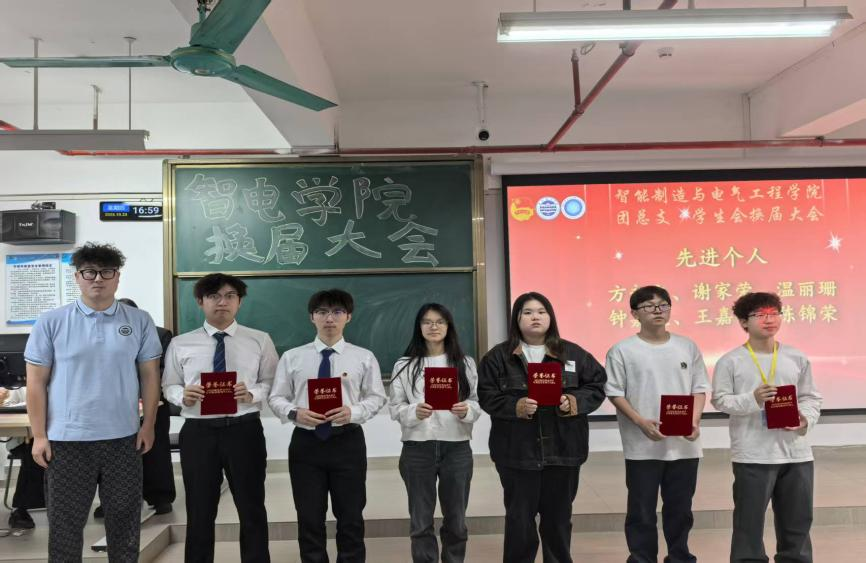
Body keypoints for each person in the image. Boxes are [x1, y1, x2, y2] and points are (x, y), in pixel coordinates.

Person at [24, 242, 162, 562]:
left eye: (106, 272)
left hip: (123, 439)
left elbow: (150, 377)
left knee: (125, 523)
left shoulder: (139, 320)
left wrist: (149, 425)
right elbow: (36, 383)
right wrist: (40, 435)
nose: (98, 278)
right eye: (89, 272)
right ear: (77, 277)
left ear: (117, 277)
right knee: (65, 525)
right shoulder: (51, 321)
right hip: (67, 441)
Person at [478, 291, 607, 563]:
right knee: (519, 521)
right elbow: (487, 397)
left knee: (558, 521)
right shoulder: (498, 357)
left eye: (541, 311)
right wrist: (516, 406)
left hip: (563, 451)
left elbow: (597, 386)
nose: (535, 317)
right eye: (527, 312)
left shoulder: (573, 353)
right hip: (517, 453)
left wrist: (573, 401)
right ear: (517, 319)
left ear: (550, 317)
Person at [163, 273, 278, 563]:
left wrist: (251, 393)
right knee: (199, 509)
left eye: (229, 296)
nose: (222, 302)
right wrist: (182, 395)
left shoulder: (259, 340)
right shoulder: (180, 343)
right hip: (199, 433)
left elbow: (272, 382)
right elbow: (169, 385)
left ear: (240, 302)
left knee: (251, 506)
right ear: (200, 302)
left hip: (244, 431)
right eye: (213, 296)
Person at [269, 289, 387, 563]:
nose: (329, 318)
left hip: (347, 441)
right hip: (306, 444)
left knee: (351, 515)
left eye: (337, 312)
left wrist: (352, 411)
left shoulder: (363, 356)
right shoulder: (293, 357)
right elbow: (276, 397)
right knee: (309, 516)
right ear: (312, 317)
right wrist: (295, 413)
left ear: (349, 317)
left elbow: (377, 397)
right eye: (322, 312)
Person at [711, 292, 823, 563]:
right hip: (753, 454)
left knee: (798, 521)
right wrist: (753, 399)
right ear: (743, 322)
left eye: (774, 314)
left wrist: (805, 419)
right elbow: (720, 400)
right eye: (760, 315)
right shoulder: (731, 360)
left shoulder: (795, 357)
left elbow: (810, 397)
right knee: (748, 524)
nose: (769, 320)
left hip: (796, 453)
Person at [604, 285, 709, 563]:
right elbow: (614, 392)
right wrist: (640, 422)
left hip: (684, 445)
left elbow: (699, 388)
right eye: (649, 306)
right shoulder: (622, 350)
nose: (657, 311)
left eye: (663, 305)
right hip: (642, 446)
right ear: (634, 314)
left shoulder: (687, 346)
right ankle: (642, 557)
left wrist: (694, 419)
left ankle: (679, 556)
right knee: (641, 510)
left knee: (681, 509)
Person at [389, 303, 481, 563]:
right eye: (427, 322)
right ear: (419, 327)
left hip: (457, 446)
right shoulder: (405, 365)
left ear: (449, 326)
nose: (433, 326)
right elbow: (395, 407)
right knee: (420, 522)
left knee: (456, 521)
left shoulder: (464, 363)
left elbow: (476, 402)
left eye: (440, 321)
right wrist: (413, 412)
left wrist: (466, 410)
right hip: (418, 447)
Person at [94, 297, 175, 519]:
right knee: (111, 454)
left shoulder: (160, 334)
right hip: (113, 403)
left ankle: (160, 497)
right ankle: (110, 501)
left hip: (152, 402)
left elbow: (162, 371)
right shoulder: (102, 334)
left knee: (154, 451)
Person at [1, 386, 45, 531]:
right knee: (33, 452)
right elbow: (7, 402)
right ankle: (20, 509)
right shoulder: (16, 384)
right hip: (23, 439)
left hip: (53, 435)